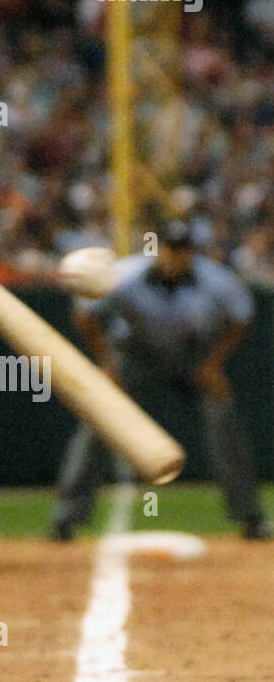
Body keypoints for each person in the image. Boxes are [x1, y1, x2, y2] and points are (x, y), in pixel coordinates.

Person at [50, 221, 270, 542]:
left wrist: (213, 364)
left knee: (223, 419)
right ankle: (65, 519)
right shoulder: (125, 275)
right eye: (169, 248)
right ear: (159, 249)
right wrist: (108, 364)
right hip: (135, 355)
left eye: (182, 250)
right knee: (98, 420)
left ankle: (251, 518)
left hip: (192, 356)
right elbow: (85, 313)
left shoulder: (215, 280)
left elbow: (242, 316)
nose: (174, 256)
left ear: (190, 252)